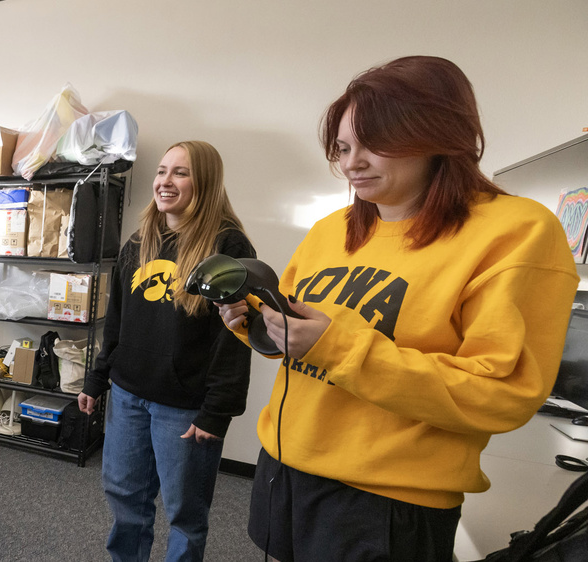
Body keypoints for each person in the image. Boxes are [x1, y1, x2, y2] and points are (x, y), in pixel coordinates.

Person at [218, 56, 578, 561]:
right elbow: (305, 338)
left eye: (375, 142)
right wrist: (258, 325)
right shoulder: (331, 229)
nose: (352, 164)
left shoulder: (516, 231)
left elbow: (501, 394)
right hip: (284, 469)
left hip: (386, 501)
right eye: (343, 148)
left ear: (437, 134)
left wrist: (338, 347)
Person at [79, 141, 255, 562]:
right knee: (124, 498)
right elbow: (116, 320)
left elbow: (234, 339)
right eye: (162, 171)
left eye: (180, 172)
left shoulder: (228, 247)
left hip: (185, 407)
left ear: (205, 181)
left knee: (185, 514)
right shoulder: (139, 242)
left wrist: (217, 411)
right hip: (128, 395)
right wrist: (96, 378)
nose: (165, 181)